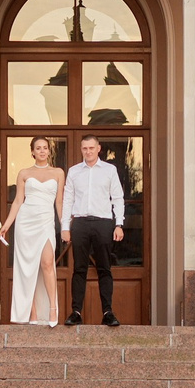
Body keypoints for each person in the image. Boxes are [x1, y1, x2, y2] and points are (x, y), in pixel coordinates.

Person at [61, 134, 125, 326]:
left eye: (91, 148)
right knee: (79, 269)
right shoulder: (74, 172)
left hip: (103, 223)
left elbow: (118, 198)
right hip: (80, 222)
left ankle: (108, 312)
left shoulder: (109, 170)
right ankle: (76, 312)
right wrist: (65, 226)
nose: (88, 152)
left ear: (98, 148)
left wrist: (119, 224)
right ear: (81, 150)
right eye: (84, 149)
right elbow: (68, 200)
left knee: (104, 268)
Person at [2, 136, 64, 327]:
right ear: (32, 152)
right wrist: (7, 224)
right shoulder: (24, 173)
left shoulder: (58, 172)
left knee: (47, 263)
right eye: (38, 148)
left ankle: (52, 308)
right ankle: (33, 313)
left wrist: (65, 227)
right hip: (25, 223)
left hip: (46, 222)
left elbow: (59, 202)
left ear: (49, 151)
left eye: (45, 147)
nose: (42, 151)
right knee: (28, 268)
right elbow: (18, 201)